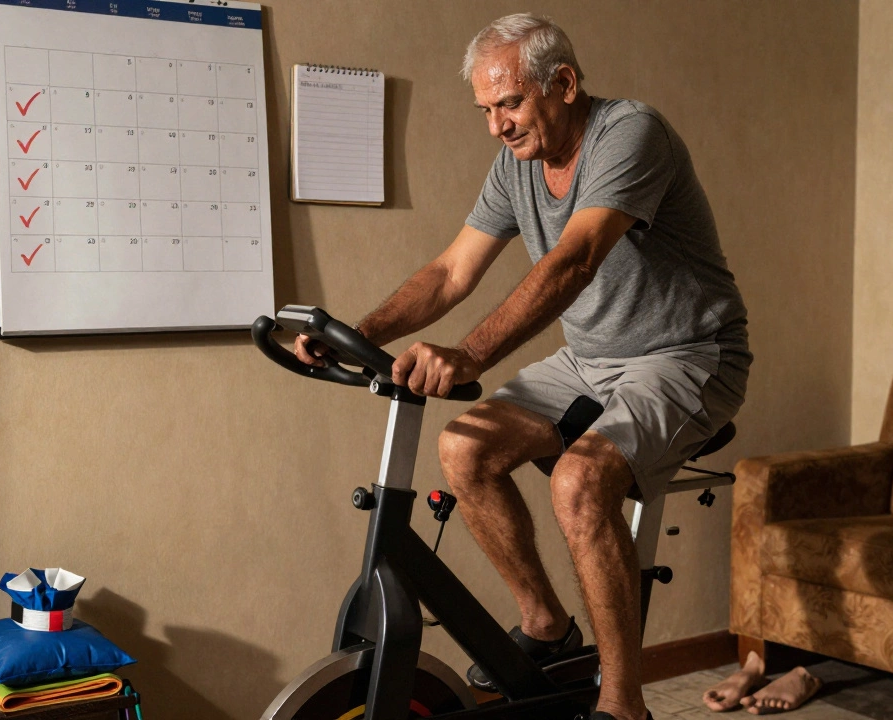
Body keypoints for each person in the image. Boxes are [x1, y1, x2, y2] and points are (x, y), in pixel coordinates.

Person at [296, 14, 752, 720]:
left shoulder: (631, 134)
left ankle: (623, 704)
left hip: (688, 356)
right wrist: (358, 332)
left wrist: (470, 354)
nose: (496, 126)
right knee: (464, 448)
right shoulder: (517, 165)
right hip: (591, 359)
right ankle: (546, 624)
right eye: (485, 109)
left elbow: (575, 261)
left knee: (579, 482)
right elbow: (451, 272)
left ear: (563, 83)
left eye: (509, 103)